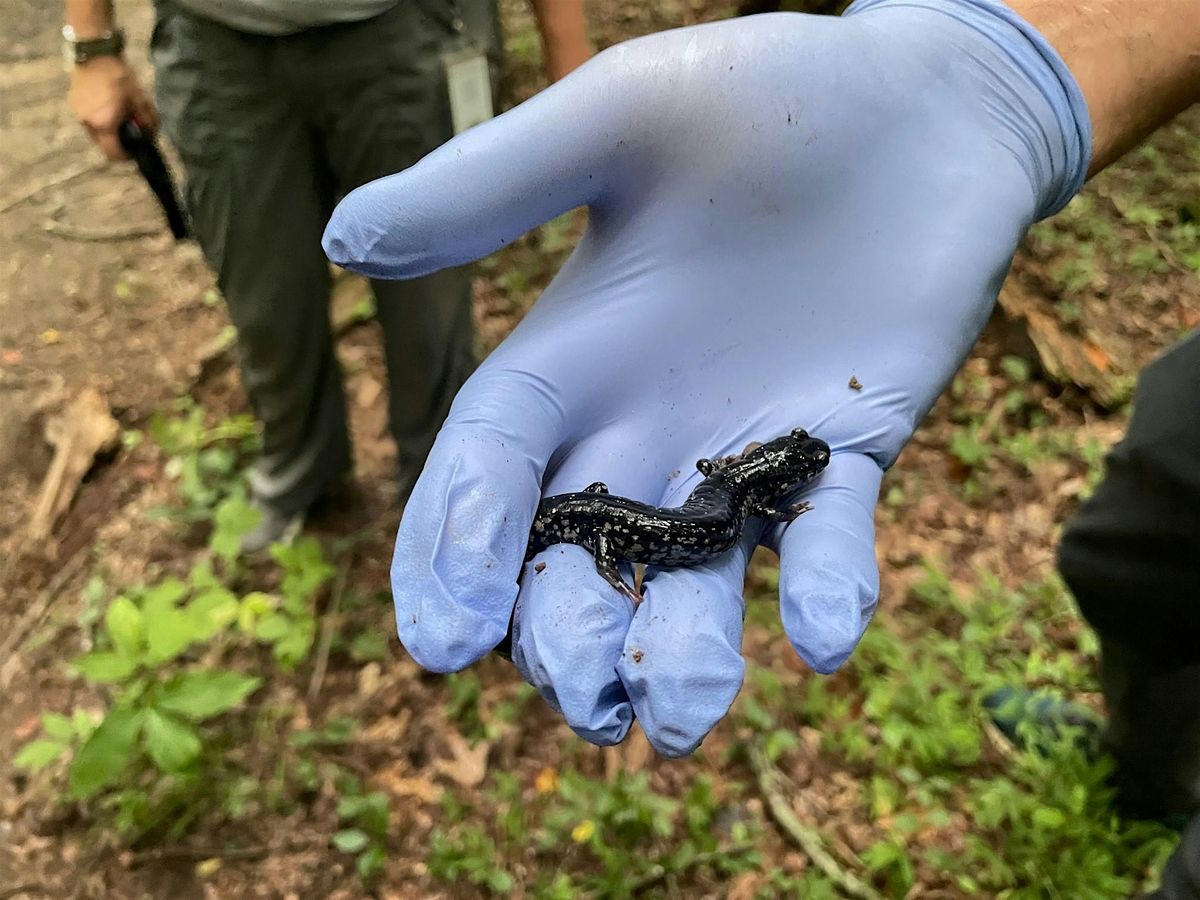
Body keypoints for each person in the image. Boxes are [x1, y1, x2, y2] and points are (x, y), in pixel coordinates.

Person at [321, 0, 1199, 892]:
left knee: (610, 524)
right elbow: (730, 487)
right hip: (621, 517)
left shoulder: (741, 478)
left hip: (645, 513)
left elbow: (729, 481)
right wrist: (1006, 56)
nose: (799, 471)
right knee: (595, 530)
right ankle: (1150, 761)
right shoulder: (744, 486)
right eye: (793, 469)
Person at [63, 0, 592, 551]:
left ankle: (443, 488)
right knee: (265, 301)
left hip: (409, 27)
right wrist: (91, 43)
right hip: (213, 39)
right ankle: (301, 478)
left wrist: (570, 59)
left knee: (430, 299)